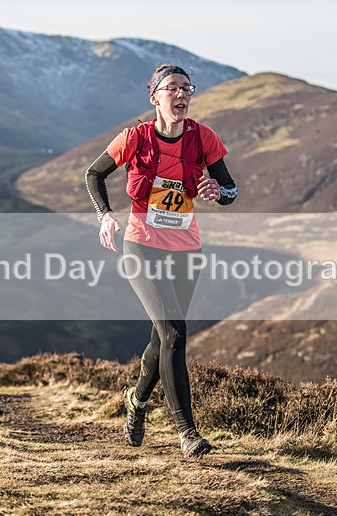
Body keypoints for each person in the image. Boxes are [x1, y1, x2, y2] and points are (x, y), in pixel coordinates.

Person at [85, 64, 238, 458]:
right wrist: (105, 215)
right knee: (174, 330)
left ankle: (136, 401)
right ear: (154, 96)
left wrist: (215, 189)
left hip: (186, 249)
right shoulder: (135, 138)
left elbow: (231, 190)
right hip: (142, 245)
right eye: (173, 88)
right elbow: (93, 174)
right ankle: (187, 432)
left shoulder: (203, 137)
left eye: (188, 88)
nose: (182, 94)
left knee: (163, 336)